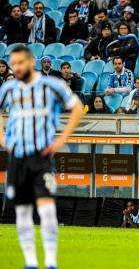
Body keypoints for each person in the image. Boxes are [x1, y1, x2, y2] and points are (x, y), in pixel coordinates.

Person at [0, 45, 83, 269]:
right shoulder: (8, 88)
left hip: (41, 156)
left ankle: (50, 262)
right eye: (13, 63)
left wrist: (61, 138)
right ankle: (31, 263)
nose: (16, 67)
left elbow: (77, 107)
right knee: (23, 210)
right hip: (17, 157)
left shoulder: (51, 85)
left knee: (46, 209)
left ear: (31, 61)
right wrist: (2, 137)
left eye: (20, 63)